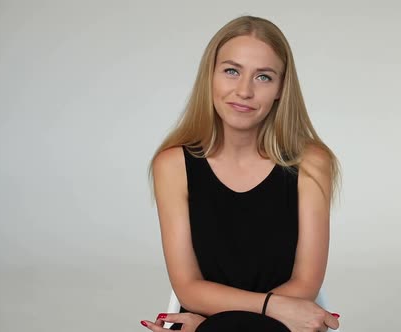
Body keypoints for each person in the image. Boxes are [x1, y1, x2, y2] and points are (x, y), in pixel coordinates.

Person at [142, 15, 341, 332]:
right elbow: (188, 288)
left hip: (271, 325)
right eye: (231, 71)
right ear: (210, 76)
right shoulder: (172, 165)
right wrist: (268, 308)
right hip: (256, 315)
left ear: (281, 88)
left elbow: (305, 284)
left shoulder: (312, 162)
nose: (244, 90)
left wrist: (210, 325)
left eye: (263, 77)